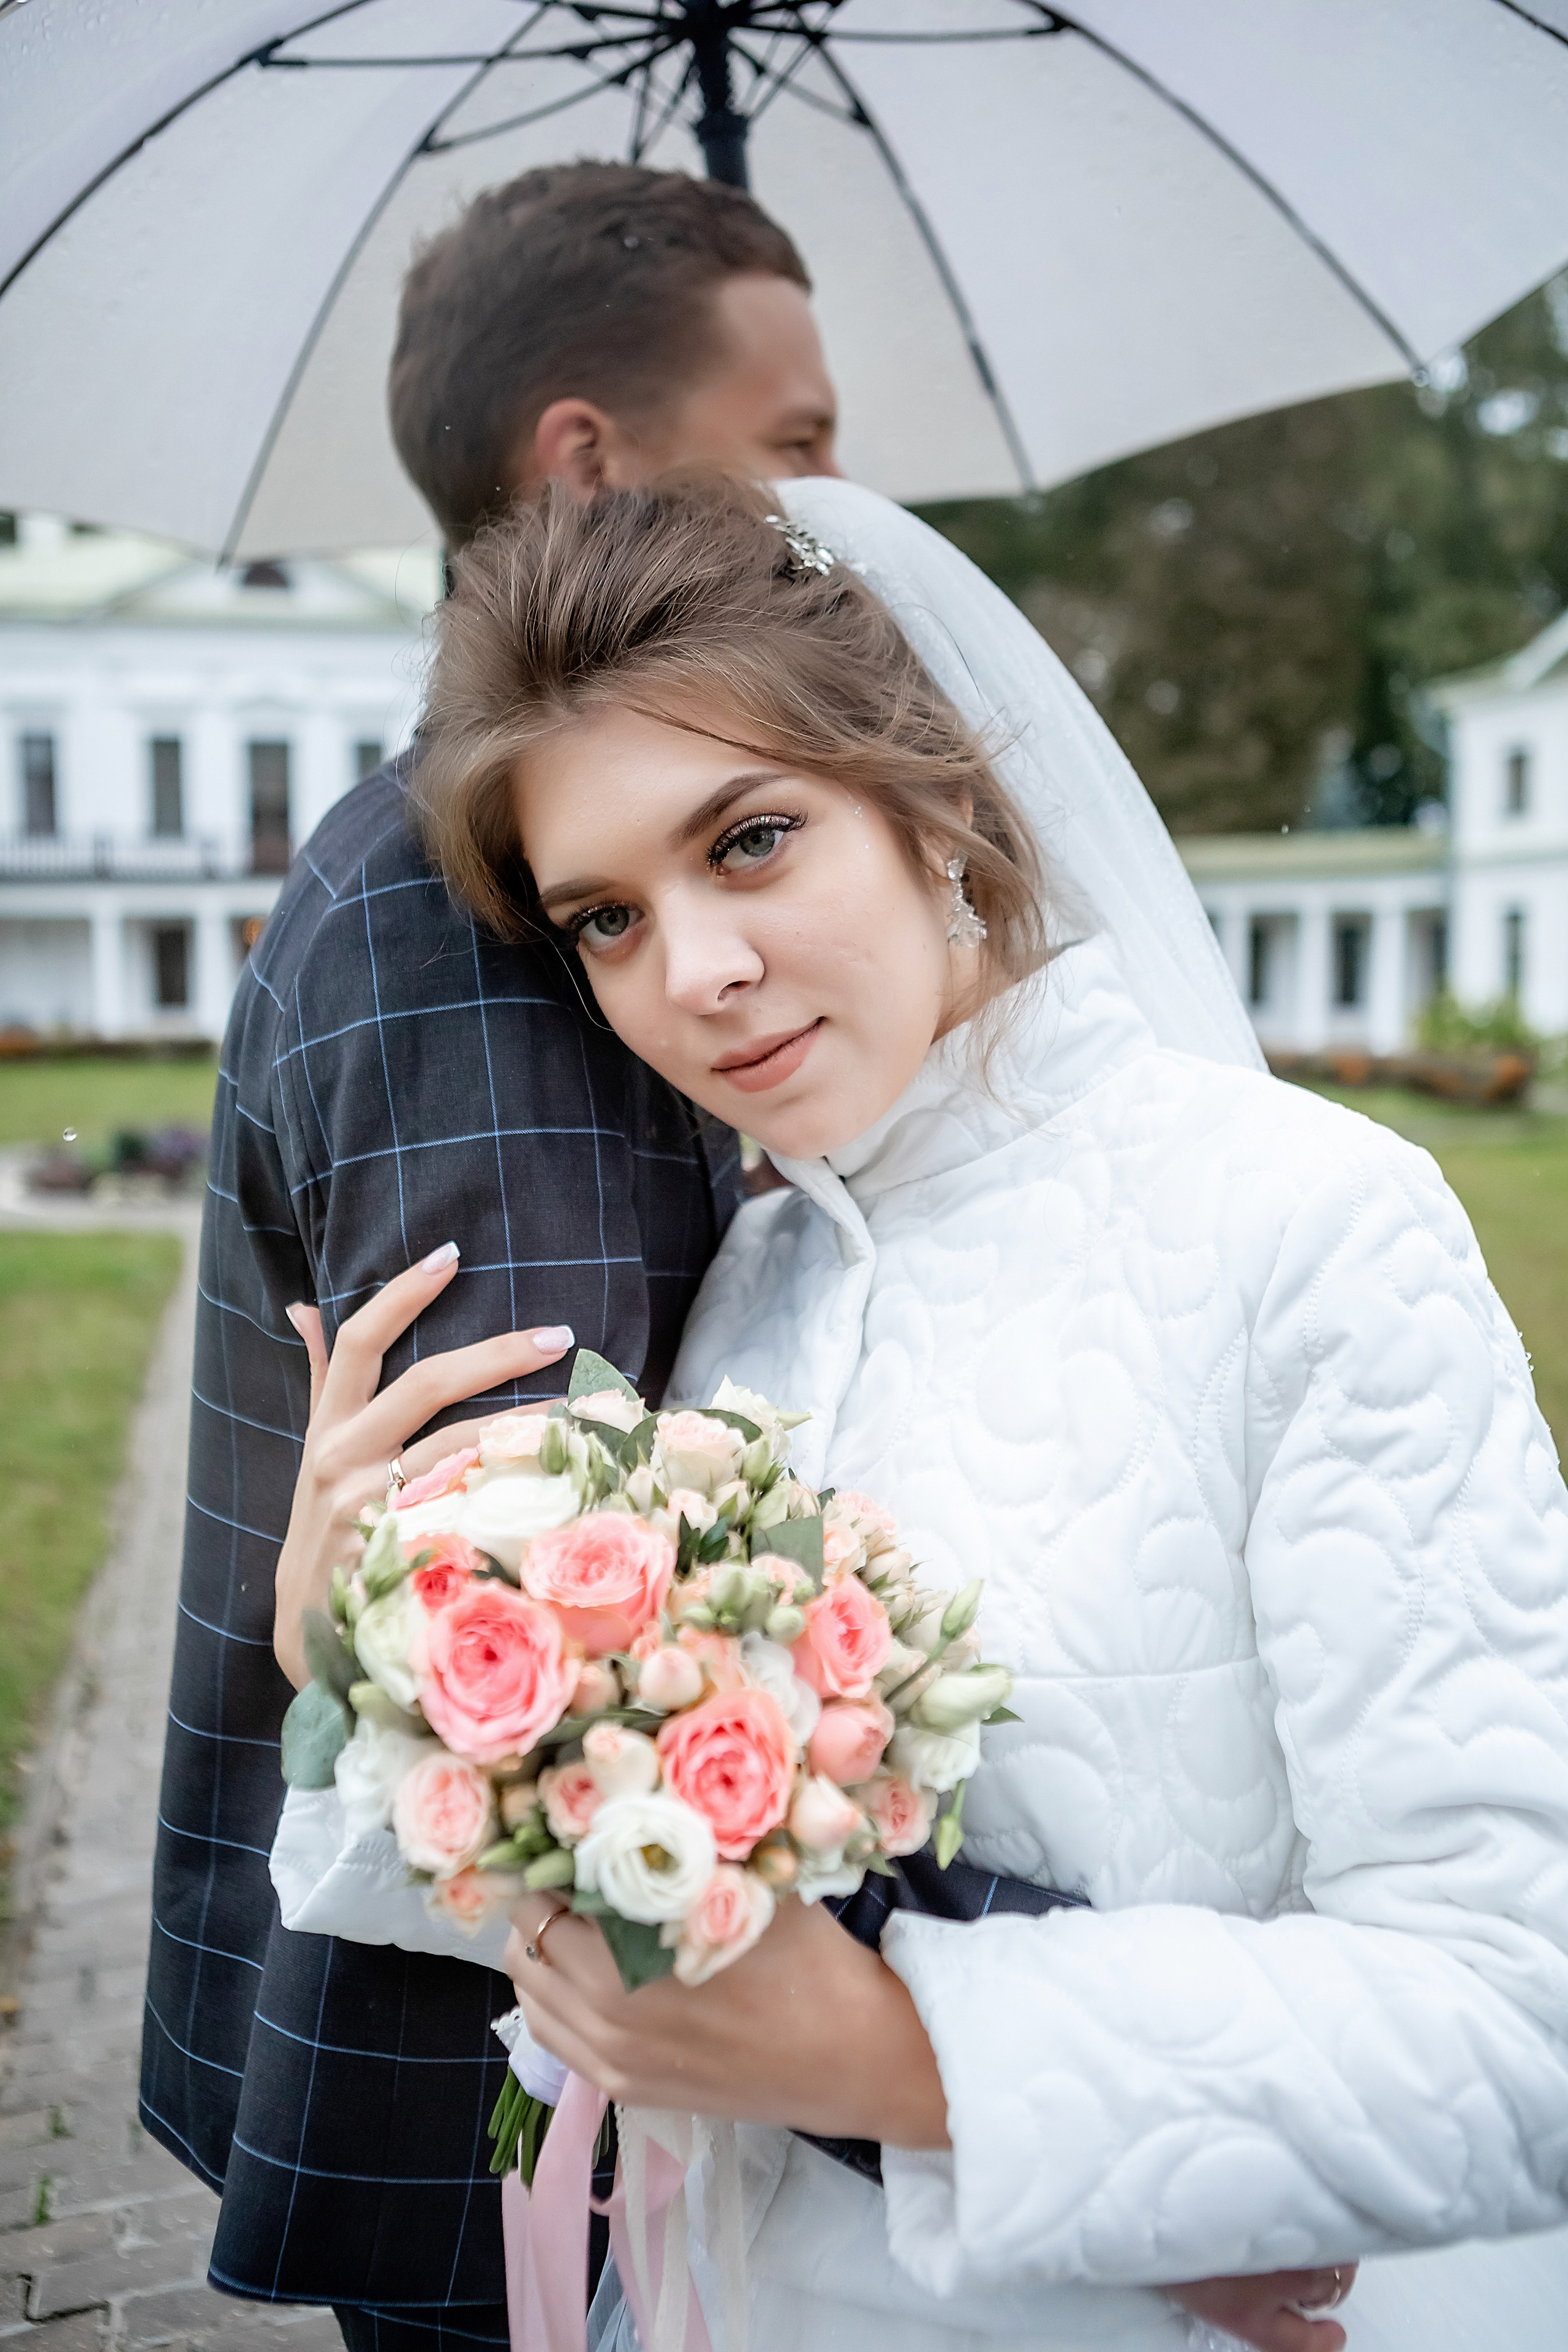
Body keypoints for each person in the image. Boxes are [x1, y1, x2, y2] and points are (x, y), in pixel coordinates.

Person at [301, 472, 1564, 2352]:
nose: (693, 980)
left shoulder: (1312, 1227)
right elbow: (644, 1919)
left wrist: (915, 2062)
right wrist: (373, 1647)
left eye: (748, 843)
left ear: (940, 798)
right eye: (605, 919)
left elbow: (1515, 2030)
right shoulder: (746, 1297)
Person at [139, 161, 839, 2350]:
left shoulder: (480, 856)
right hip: (513, 2108)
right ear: (588, 459)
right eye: (801, 437)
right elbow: (556, 1641)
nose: (840, 500)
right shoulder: (472, 929)